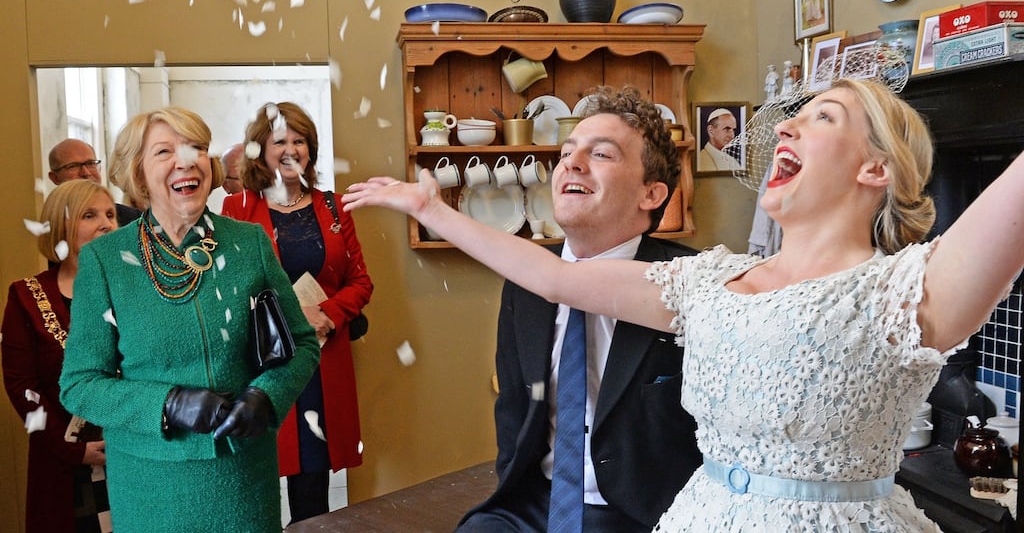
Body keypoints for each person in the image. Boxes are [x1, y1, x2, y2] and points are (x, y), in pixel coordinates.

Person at [342, 79, 1024, 531]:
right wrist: (435, 211)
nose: (785, 128)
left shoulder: (907, 293)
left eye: (822, 117)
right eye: (794, 115)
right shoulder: (709, 282)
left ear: (875, 169)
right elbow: (551, 280)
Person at [59, 107, 320, 532]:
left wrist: (266, 397)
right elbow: (80, 384)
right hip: (150, 486)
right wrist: (168, 404)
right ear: (139, 175)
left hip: (242, 481)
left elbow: (302, 345)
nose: (187, 161)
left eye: (196, 147)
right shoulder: (105, 262)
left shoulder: (249, 244)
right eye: (165, 151)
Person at [454, 88, 702, 533]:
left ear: (651, 193)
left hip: (647, 515)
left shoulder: (690, 281)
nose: (571, 162)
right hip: (532, 504)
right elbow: (514, 406)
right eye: (567, 152)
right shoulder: (524, 280)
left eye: (601, 154)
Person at [222, 101, 373, 524]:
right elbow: (229, 288)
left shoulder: (334, 207)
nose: (292, 149)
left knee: (312, 480)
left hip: (321, 361)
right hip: (263, 362)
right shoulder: (237, 209)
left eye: (300, 140)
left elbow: (362, 283)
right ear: (260, 151)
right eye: (280, 141)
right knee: (262, 471)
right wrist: (289, 315)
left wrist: (324, 313)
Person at [2, 179, 116, 533]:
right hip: (64, 467)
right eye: (89, 215)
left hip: (133, 455)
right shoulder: (26, 297)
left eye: (111, 214)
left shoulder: (136, 288)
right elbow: (23, 387)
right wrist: (72, 451)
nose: (107, 224)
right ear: (61, 226)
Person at [48, 138, 141, 227]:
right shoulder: (49, 225)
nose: (86, 173)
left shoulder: (134, 219)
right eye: (73, 166)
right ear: (55, 178)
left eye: (91, 163)